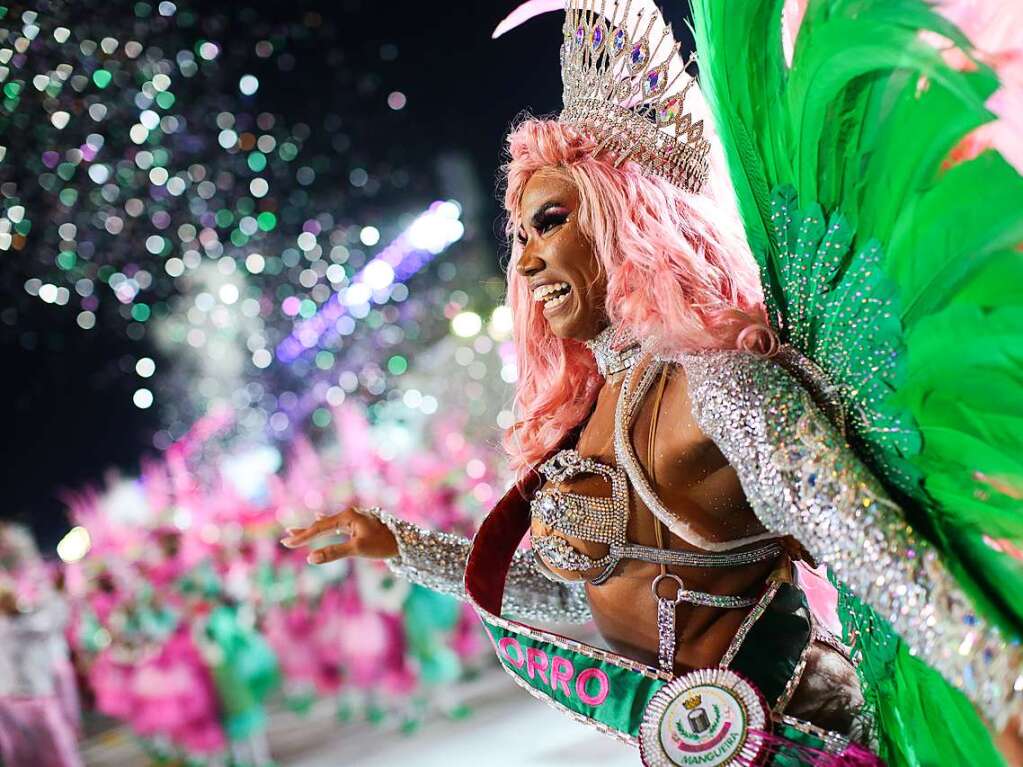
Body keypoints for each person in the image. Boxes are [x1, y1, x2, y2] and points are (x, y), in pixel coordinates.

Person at [283, 0, 1023, 763]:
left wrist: (996, 679)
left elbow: (863, 540)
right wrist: (400, 545)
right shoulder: (589, 411)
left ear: (622, 220)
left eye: (552, 220)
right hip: (705, 744)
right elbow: (569, 592)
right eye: (522, 233)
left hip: (804, 734)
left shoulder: (719, 386)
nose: (528, 258)